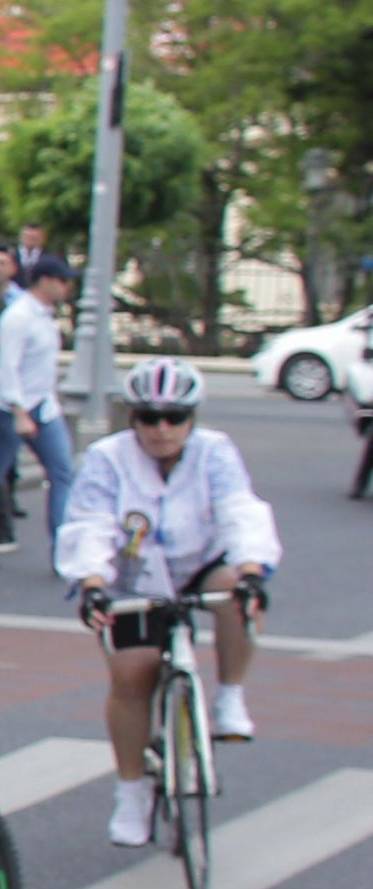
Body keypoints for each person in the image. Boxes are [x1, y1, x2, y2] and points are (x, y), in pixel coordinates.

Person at [61, 356, 279, 843]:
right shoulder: (107, 458)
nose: (162, 429)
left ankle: (230, 696)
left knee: (238, 598)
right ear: (132, 417)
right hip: (133, 579)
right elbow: (89, 523)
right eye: (148, 417)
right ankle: (132, 793)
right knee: (131, 675)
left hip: (200, 563)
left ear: (193, 418)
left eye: (174, 417)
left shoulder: (215, 453)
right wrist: (92, 581)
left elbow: (239, 509)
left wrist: (251, 570)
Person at [0, 253, 77, 565]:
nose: (65, 288)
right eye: (61, 281)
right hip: (10, 408)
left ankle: (63, 550)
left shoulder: (45, 317)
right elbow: (7, 368)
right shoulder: (18, 316)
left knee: (62, 473)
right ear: (45, 281)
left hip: (42, 407)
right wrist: (19, 411)